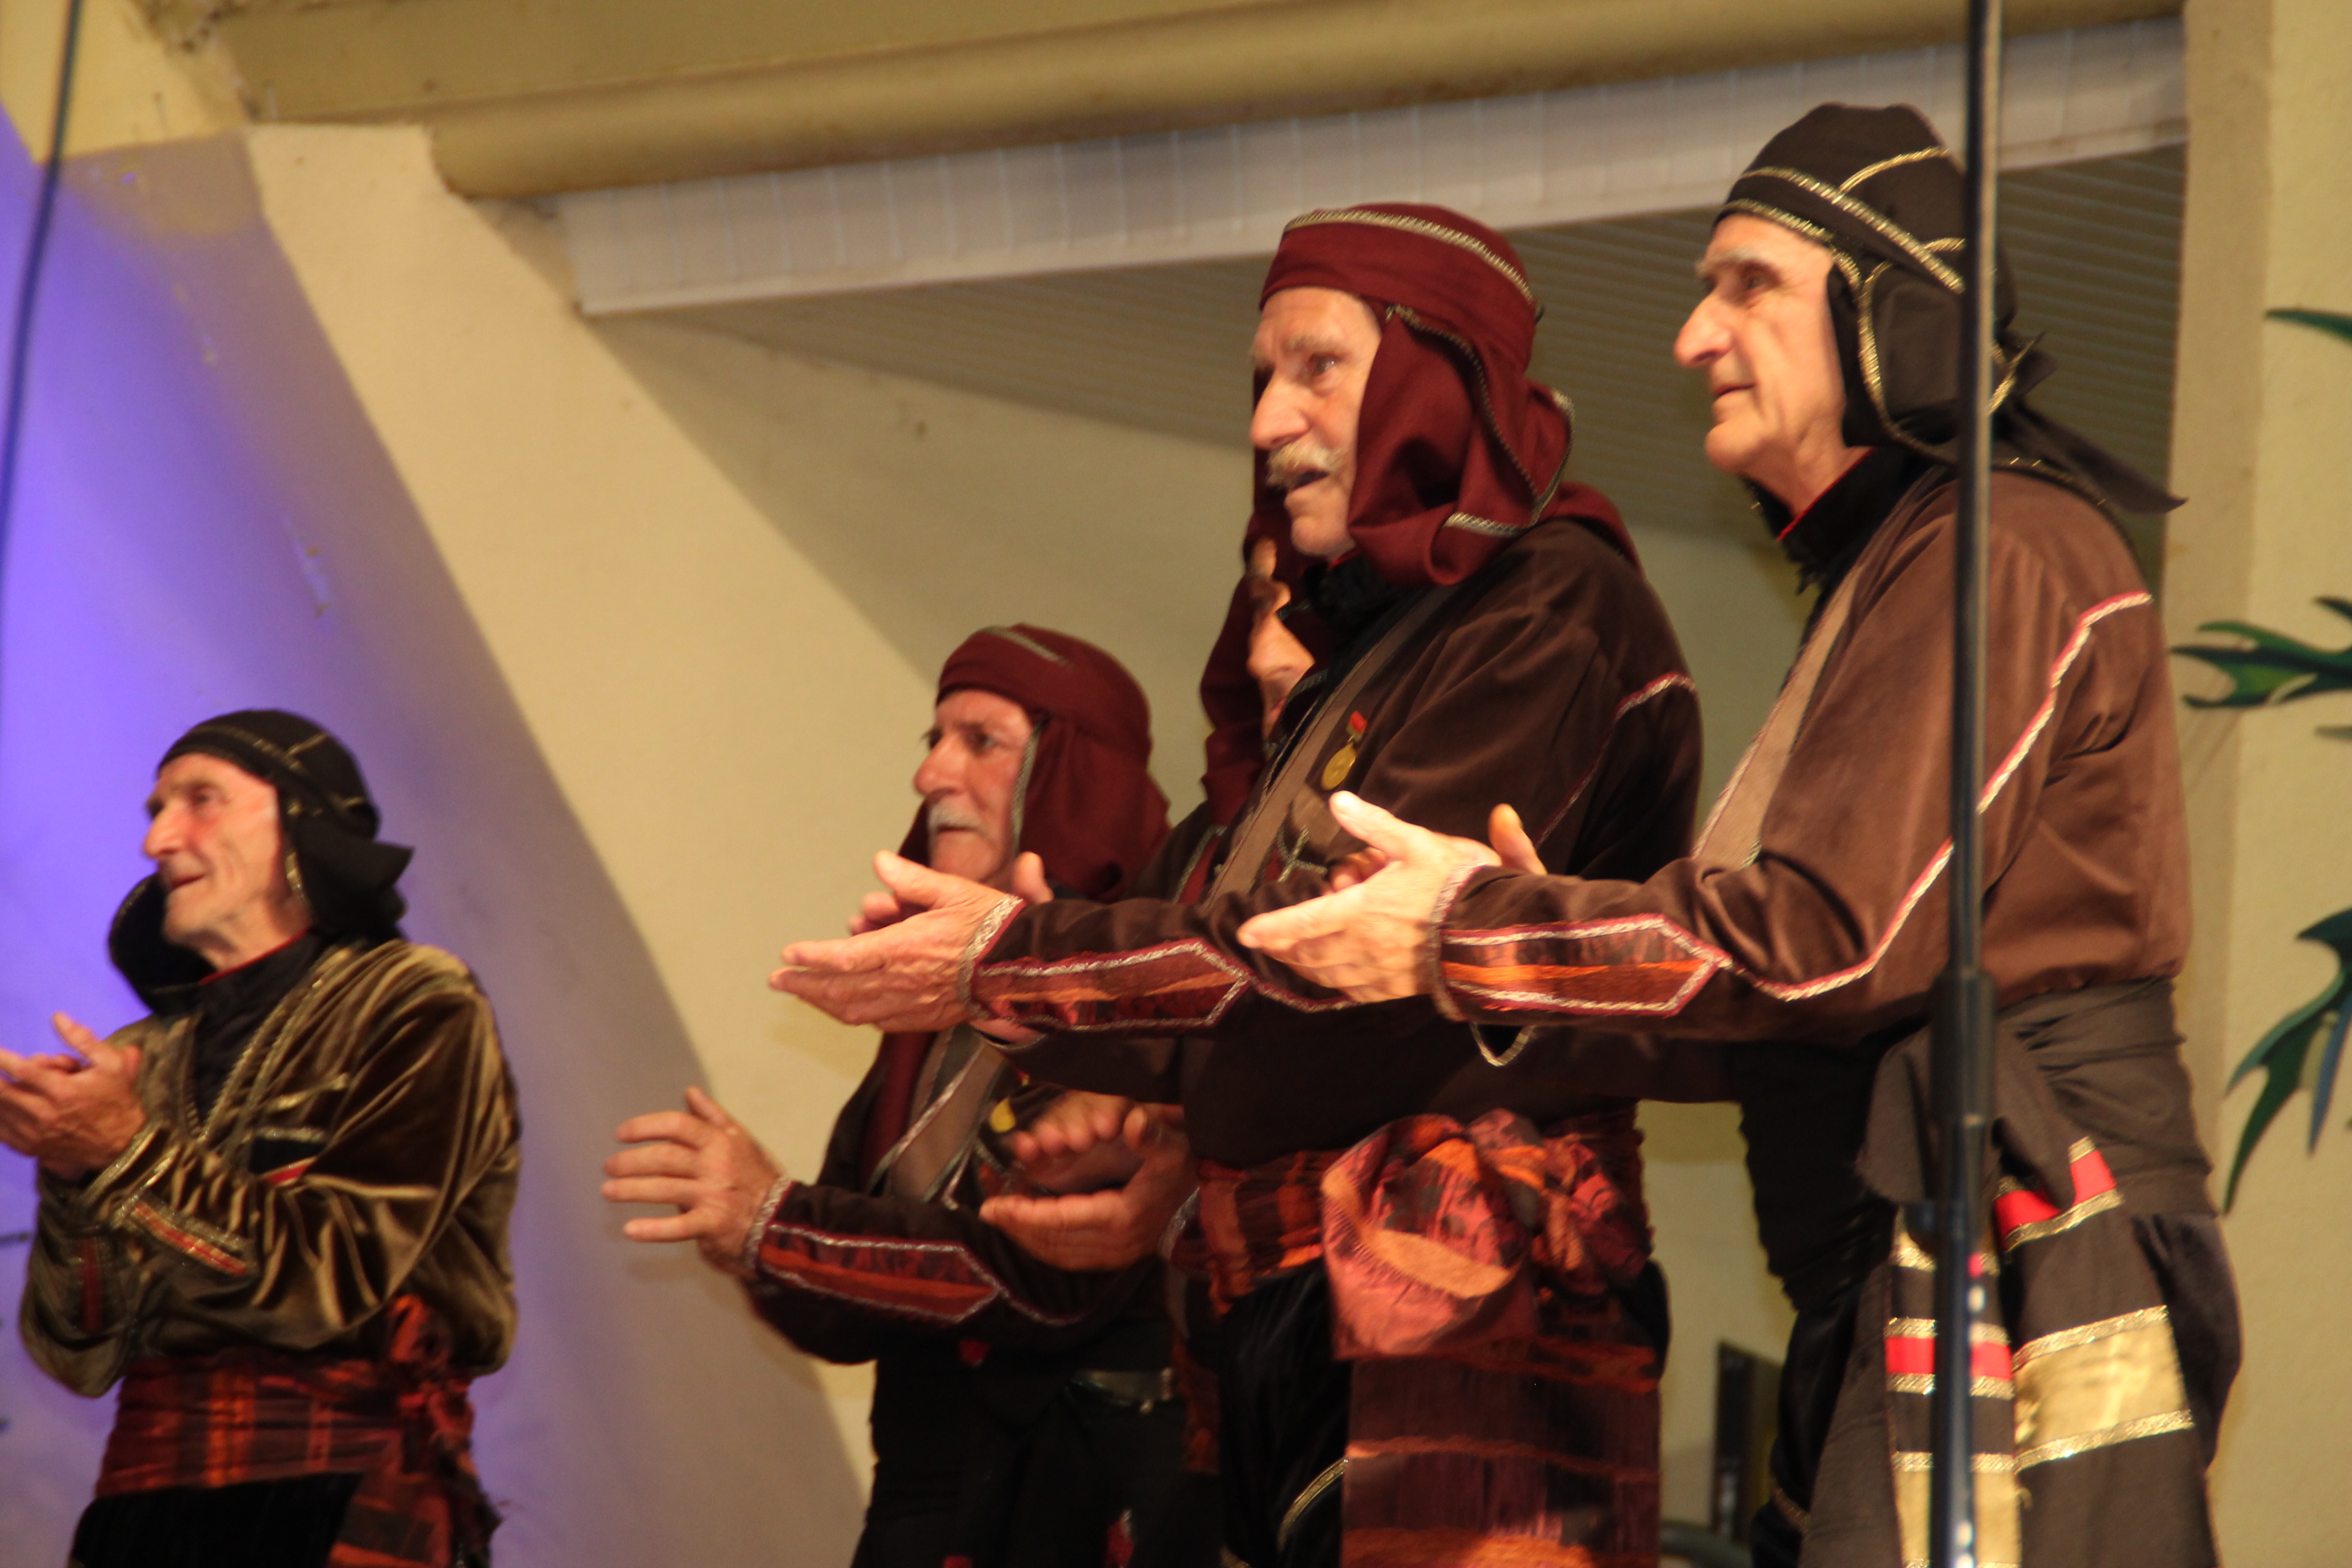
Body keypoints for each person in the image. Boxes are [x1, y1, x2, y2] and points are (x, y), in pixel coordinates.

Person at [1235, 107, 2235, 1568]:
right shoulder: (1905, 571)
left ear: (1894, 319)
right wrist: (1520, 949)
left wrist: (1477, 931)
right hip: (1913, 1250)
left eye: (1748, 283)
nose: (1695, 336)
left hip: (2032, 1243)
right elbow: (1785, 1002)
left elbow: (1828, 947)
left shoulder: (2004, 543)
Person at [772, 205, 1713, 1568]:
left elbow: (1321, 951)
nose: (1270, 420)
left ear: (1437, 376)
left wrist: (1006, 963)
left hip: (1468, 1304)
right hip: (1280, 1311)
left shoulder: (1549, 606)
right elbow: (1251, 988)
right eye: (1262, 377)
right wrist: (1094, 1072)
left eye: (1318, 365)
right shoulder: (1377, 652)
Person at [604, 624, 1216, 1568]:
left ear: (1072, 777)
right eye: (934, 740)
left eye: (981, 740)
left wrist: (778, 1224)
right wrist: (747, 1233)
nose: (931, 774)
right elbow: (846, 1316)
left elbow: (1043, 1287)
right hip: (924, 1507)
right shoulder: (926, 1023)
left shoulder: (1131, 990)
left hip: (1074, 1504)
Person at [4, 711, 517, 1568]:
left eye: (200, 800)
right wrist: (72, 1173)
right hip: (139, 1508)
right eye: (156, 811)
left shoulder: (414, 1002)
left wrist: (126, 1154)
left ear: (304, 823)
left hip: (339, 1495)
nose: (158, 841)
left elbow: (332, 1281)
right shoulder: (137, 1059)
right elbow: (77, 1355)